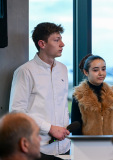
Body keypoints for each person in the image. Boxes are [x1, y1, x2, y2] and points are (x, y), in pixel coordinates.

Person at [9, 22, 70, 158]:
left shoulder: (63, 69)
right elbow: (16, 112)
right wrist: (49, 128)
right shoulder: (25, 71)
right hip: (39, 149)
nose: (62, 44)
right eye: (56, 40)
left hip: (64, 146)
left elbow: (62, 105)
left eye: (61, 39)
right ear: (42, 44)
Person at [71, 54, 113, 135]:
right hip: (88, 145)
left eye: (103, 69)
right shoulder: (79, 96)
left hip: (110, 144)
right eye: (95, 70)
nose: (101, 73)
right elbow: (76, 130)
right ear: (86, 72)